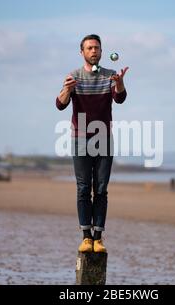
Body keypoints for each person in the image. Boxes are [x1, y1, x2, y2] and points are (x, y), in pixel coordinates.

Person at [55, 34, 129, 253]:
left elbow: (120, 99)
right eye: (89, 48)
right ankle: (86, 236)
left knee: (101, 189)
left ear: (101, 51)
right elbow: (60, 105)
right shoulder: (74, 76)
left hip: (104, 138)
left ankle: (98, 238)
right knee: (83, 188)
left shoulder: (110, 75)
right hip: (80, 138)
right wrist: (67, 89)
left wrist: (120, 82)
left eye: (96, 48)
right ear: (82, 52)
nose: (93, 51)